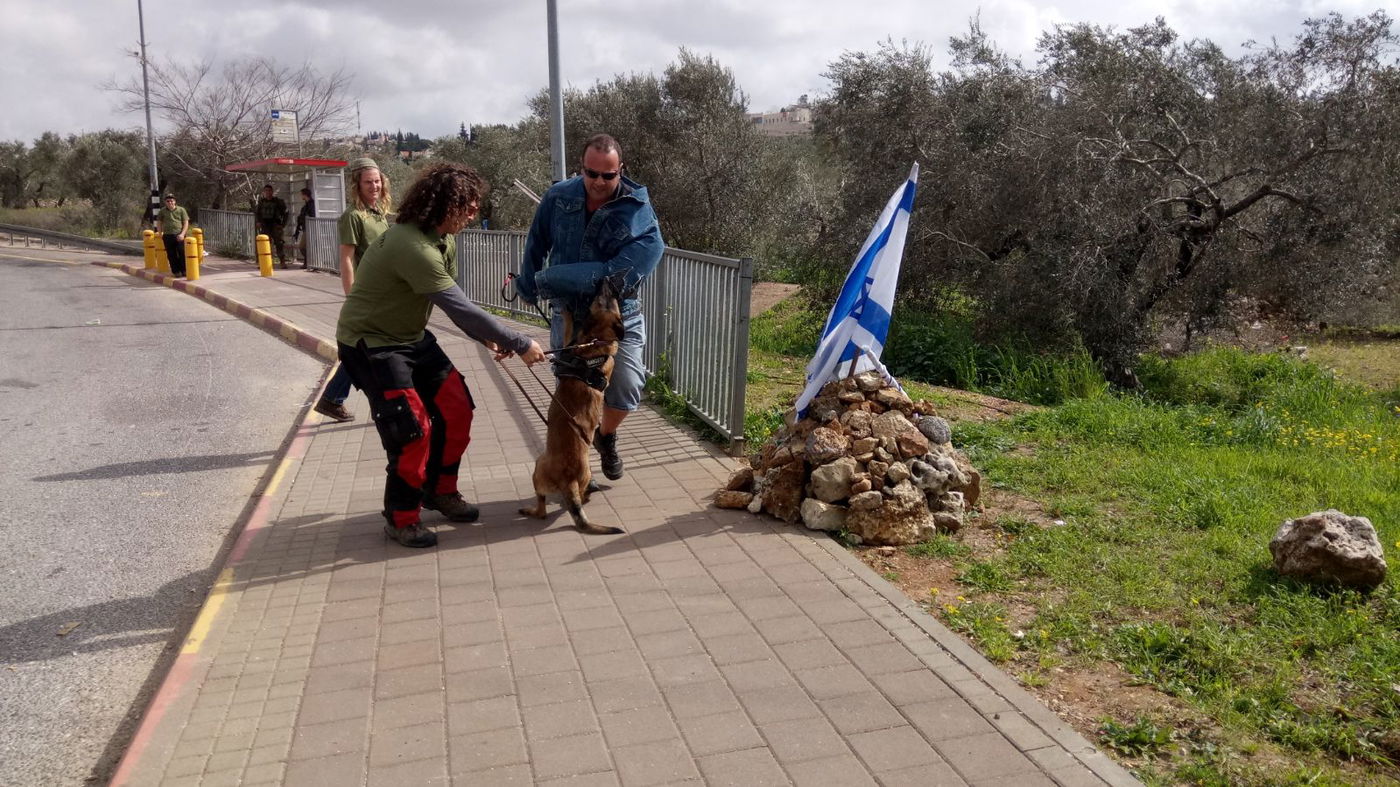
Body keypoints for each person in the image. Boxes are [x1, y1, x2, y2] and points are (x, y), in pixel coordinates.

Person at [336, 163, 546, 548]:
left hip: (411, 338)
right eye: (467, 208)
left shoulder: (442, 240)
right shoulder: (412, 246)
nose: (473, 216)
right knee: (412, 429)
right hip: (370, 344)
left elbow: (455, 306)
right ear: (444, 206)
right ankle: (401, 518)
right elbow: (462, 308)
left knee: (457, 408)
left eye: (475, 208)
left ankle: (440, 490)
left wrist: (488, 339)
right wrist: (520, 343)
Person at [516, 133, 664, 481]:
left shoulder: (639, 212)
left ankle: (606, 436)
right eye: (591, 173)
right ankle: (577, 467)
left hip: (618, 317)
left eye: (607, 175)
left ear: (621, 170)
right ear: (581, 168)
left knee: (627, 385)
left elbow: (611, 277)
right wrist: (527, 282)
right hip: (569, 314)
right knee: (572, 392)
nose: (598, 182)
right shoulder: (558, 196)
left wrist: (546, 279)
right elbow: (536, 241)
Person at [314, 158, 390, 423]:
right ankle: (384, 403)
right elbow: (346, 258)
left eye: (377, 181)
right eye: (368, 182)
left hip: (384, 292)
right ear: (357, 184)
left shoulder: (378, 213)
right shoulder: (353, 216)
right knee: (373, 348)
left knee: (366, 349)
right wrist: (352, 297)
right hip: (368, 295)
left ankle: (333, 398)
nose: (374, 186)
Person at [254, 184, 290, 268]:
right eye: (266, 191)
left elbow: (286, 213)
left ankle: (282, 262)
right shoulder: (261, 202)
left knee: (279, 243)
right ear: (264, 192)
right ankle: (265, 262)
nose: (268, 192)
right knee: (265, 244)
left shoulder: (278, 202)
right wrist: (258, 222)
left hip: (275, 225)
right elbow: (257, 213)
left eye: (269, 191)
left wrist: (282, 224)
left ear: (272, 191)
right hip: (265, 226)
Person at [154, 193, 190, 278]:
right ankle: (176, 271)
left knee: (181, 252)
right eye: (168, 201)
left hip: (179, 235)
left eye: (172, 201)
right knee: (171, 254)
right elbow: (159, 222)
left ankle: (184, 270)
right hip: (167, 235)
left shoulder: (181, 210)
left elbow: (186, 222)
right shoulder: (162, 211)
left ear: (175, 201)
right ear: (165, 202)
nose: (170, 202)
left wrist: (182, 234)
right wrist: (160, 233)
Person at [292, 187, 315, 268]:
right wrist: (297, 232)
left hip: (310, 228)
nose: (301, 196)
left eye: (301, 194)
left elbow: (312, 215)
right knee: (304, 247)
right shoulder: (305, 206)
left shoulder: (311, 205)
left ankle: (309, 262)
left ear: (305, 195)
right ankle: (308, 262)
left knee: (302, 246)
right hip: (306, 228)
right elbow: (300, 220)